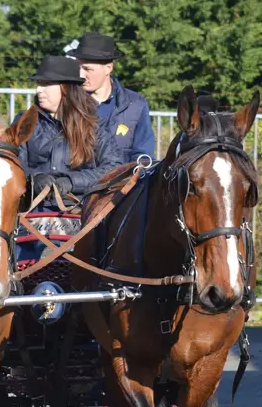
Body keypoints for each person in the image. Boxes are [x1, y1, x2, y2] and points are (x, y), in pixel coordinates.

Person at [14, 56, 123, 260]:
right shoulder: (25, 121)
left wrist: (72, 182)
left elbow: (113, 167)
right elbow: (12, 165)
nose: (39, 90)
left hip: (79, 213)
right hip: (31, 213)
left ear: (66, 88)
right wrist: (33, 179)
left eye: (46, 84)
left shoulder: (95, 126)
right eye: (39, 84)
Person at [70, 32, 156, 164]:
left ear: (108, 68)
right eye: (78, 68)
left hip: (124, 183)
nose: (81, 74)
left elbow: (143, 155)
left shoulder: (136, 105)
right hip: (76, 183)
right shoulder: (68, 103)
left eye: (88, 69)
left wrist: (133, 178)